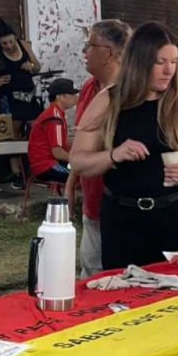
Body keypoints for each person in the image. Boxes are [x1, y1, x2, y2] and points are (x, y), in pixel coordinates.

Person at [71, 22, 178, 270]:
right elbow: (78, 161)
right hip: (123, 221)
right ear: (139, 62)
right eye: (160, 62)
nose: (169, 70)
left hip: (177, 217)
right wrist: (113, 155)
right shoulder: (109, 100)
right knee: (125, 290)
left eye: (174, 62)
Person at [67, 19, 131, 279]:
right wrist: (71, 182)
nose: (84, 51)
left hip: (122, 202)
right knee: (91, 271)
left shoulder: (132, 92)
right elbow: (81, 147)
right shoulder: (88, 88)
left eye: (90, 45)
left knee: (119, 275)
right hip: (92, 200)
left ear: (109, 52)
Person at [28, 78, 78, 185]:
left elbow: (64, 143)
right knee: (84, 174)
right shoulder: (54, 118)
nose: (76, 97)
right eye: (72, 94)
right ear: (60, 97)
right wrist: (77, 160)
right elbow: (57, 152)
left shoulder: (54, 113)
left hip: (49, 163)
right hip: (46, 166)